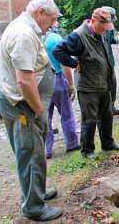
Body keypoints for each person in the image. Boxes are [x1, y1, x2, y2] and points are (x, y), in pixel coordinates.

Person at [0, 0, 62, 221]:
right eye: (52, 19)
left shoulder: (27, 28)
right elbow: (24, 80)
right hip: (24, 107)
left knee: (34, 153)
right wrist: (38, 110)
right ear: (40, 13)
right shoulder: (24, 33)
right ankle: (34, 207)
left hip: (26, 105)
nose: (54, 25)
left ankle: (38, 192)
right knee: (31, 154)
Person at [52, 8, 119, 159]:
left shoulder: (102, 32)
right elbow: (57, 50)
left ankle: (108, 144)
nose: (104, 30)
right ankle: (87, 150)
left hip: (103, 82)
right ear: (93, 21)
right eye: (102, 27)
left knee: (106, 116)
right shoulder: (78, 36)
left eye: (106, 27)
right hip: (88, 85)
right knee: (89, 119)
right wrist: (73, 63)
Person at [43, 14, 81, 159]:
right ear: (53, 22)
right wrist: (71, 84)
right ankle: (71, 143)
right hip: (58, 79)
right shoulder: (56, 39)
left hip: (42, 81)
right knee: (66, 113)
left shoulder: (36, 38)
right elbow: (65, 65)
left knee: (46, 116)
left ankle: (47, 148)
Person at [102, 6, 119, 115]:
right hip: (101, 62)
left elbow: (110, 40)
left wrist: (116, 40)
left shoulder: (110, 26)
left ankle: (112, 105)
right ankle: (104, 108)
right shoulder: (98, 27)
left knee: (112, 83)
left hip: (110, 60)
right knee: (102, 86)